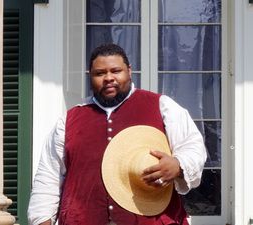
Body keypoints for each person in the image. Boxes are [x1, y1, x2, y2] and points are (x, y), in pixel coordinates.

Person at [27, 43, 207, 225]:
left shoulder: (162, 106)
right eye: (100, 73)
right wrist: (42, 220)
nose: (109, 78)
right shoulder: (69, 120)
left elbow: (193, 147)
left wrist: (178, 165)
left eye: (116, 71)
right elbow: (48, 176)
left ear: (129, 71)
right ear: (90, 76)